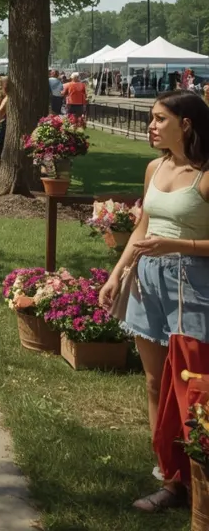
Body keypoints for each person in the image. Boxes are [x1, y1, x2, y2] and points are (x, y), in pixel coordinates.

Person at [99, 91, 209, 514]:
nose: (151, 125)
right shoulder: (155, 166)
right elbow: (145, 223)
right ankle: (169, 478)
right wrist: (117, 273)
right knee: (155, 382)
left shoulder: (205, 173)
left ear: (186, 124)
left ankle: (200, 478)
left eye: (160, 119)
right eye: (150, 118)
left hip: (193, 286)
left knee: (193, 385)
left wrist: (175, 243)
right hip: (148, 283)